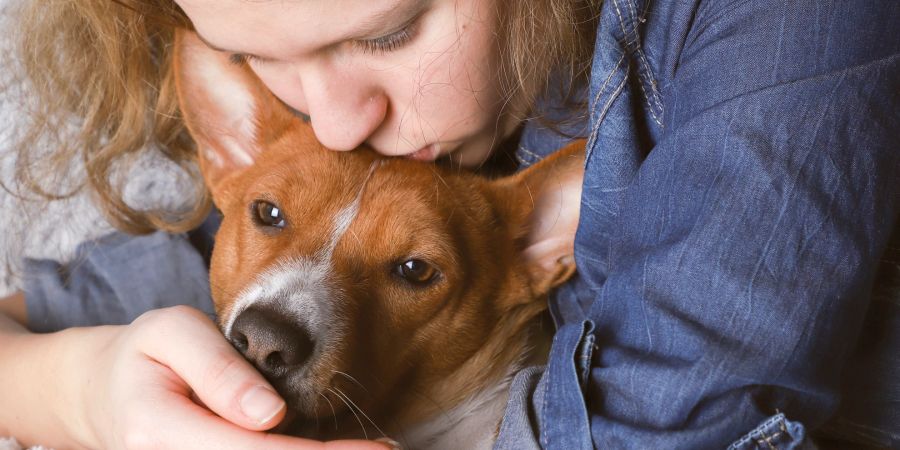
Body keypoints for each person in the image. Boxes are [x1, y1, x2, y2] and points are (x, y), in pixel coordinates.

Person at [1, 0, 898, 448]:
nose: (339, 124)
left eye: (386, 35)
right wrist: (81, 391)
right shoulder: (303, 168)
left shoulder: (778, 32)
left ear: (542, 249)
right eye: (261, 56)